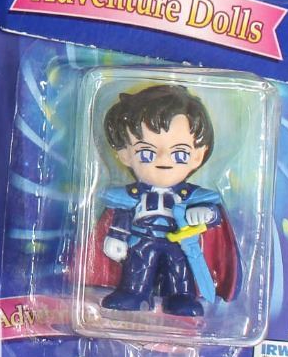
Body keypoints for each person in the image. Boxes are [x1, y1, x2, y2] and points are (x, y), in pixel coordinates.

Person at [87, 85, 237, 317]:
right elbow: (122, 214)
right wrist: (117, 236)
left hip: (179, 243)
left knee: (179, 270)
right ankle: (134, 292)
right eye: (146, 153)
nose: (163, 160)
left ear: (197, 156)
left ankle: (181, 296)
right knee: (137, 267)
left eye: (180, 154)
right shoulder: (131, 195)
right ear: (125, 154)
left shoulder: (192, 196)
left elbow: (213, 215)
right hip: (142, 240)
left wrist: (206, 214)